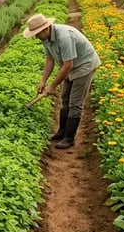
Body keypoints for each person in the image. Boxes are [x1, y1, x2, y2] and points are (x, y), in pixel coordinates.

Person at [23, 13, 101, 149]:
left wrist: (53, 86)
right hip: (70, 67)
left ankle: (69, 138)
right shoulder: (46, 39)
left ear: (45, 29)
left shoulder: (64, 37)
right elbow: (49, 60)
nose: (36, 37)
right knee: (65, 99)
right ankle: (62, 131)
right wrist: (43, 81)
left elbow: (68, 65)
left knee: (75, 103)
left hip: (84, 66)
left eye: (36, 34)